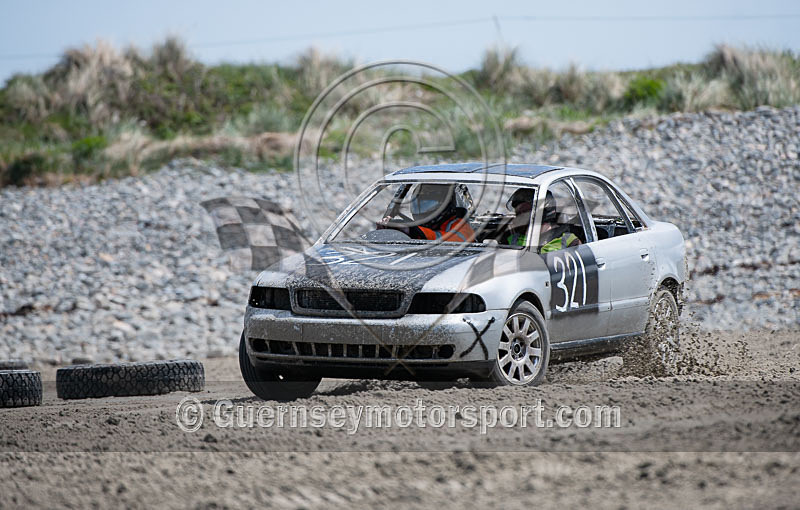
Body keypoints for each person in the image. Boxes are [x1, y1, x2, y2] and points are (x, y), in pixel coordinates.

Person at [380, 183, 475, 242]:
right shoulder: (428, 228)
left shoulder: (462, 227)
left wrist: (412, 230)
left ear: (444, 204)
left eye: (426, 203)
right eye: (417, 203)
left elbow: (446, 240)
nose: (420, 210)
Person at [504, 189, 581, 252]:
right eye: (518, 213)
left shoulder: (568, 240)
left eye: (526, 212)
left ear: (545, 211)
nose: (521, 217)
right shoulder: (512, 239)